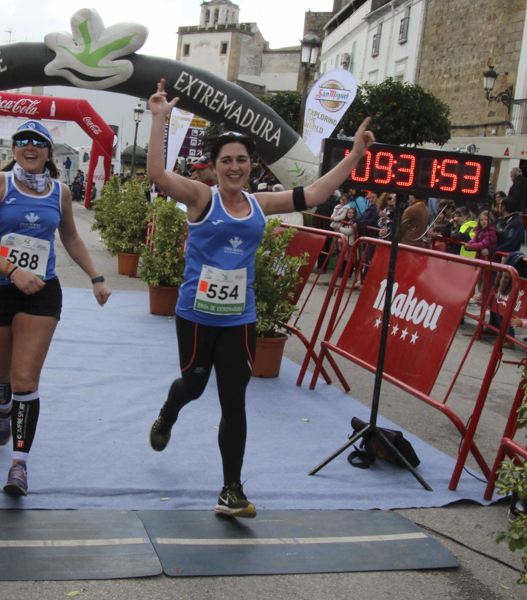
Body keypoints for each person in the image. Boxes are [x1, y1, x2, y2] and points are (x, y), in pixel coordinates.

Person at [144, 78, 375, 518]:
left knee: (235, 401)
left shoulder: (259, 204)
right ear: (214, 167)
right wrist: (159, 118)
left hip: (238, 319)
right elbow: (157, 174)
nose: (234, 167)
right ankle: (168, 412)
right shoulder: (200, 197)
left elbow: (318, 194)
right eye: (226, 160)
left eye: (242, 161)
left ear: (252, 166)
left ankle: (231, 489)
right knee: (193, 386)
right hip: (196, 316)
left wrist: (355, 156)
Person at [0, 120, 111, 498]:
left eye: (38, 142)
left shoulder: (60, 191)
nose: (29, 147)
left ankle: (19, 465)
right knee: (2, 377)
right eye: (22, 141)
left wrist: (96, 277)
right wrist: (11, 271)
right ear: (14, 149)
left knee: (25, 381)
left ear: (49, 152)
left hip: (41, 293)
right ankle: (3, 409)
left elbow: (71, 237)